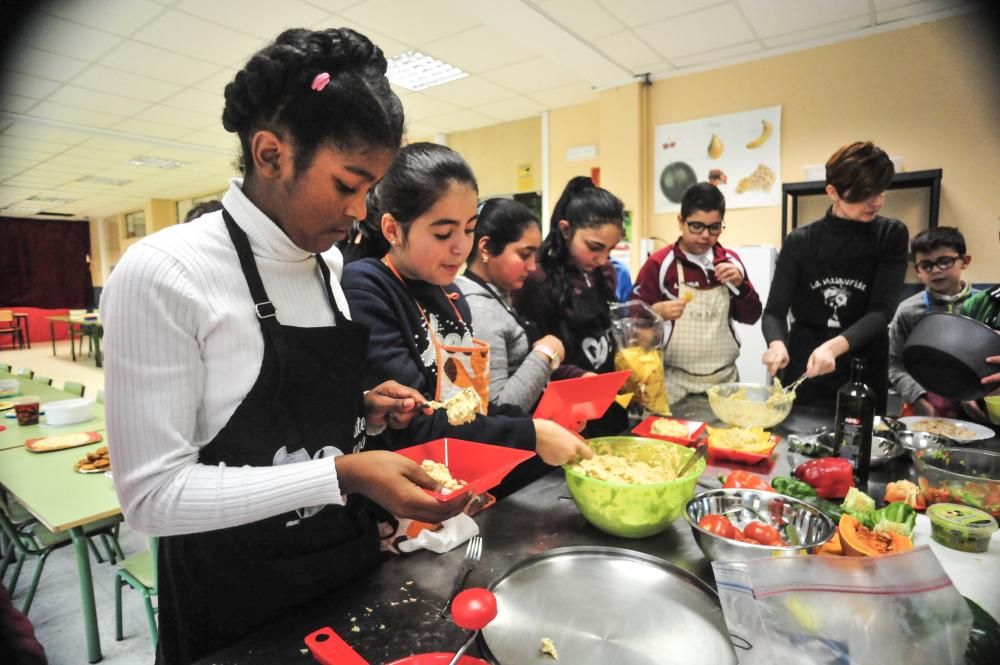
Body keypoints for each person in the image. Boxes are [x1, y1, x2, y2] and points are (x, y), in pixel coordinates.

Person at [101, 28, 470, 665]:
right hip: (238, 611)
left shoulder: (323, 265)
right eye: (347, 184)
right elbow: (150, 497)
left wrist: (358, 408)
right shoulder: (165, 273)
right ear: (270, 153)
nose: (359, 212)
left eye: (369, 191)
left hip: (344, 578)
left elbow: (268, 404)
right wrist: (341, 472)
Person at [341, 143, 591, 466]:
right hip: (404, 493)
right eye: (444, 233)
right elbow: (415, 422)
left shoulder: (454, 298)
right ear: (393, 229)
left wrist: (544, 420)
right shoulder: (366, 287)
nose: (461, 247)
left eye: (470, 229)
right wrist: (532, 433)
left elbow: (472, 408)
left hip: (463, 476)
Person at [761, 141, 908, 412]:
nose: (876, 201)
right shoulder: (801, 241)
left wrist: (833, 347)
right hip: (806, 368)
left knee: (858, 447)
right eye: (864, 194)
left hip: (863, 369)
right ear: (832, 192)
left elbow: (881, 311)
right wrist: (776, 343)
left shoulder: (890, 235)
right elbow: (774, 312)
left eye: (880, 190)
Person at [513, 175, 627, 435]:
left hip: (605, 401)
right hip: (563, 412)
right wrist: (579, 376)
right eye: (594, 247)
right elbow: (529, 356)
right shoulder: (536, 278)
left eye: (610, 250)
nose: (601, 259)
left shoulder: (605, 272)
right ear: (566, 230)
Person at [632, 182, 762, 403]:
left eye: (714, 227)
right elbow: (630, 326)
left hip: (725, 381)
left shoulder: (729, 263)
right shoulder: (660, 264)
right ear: (681, 222)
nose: (705, 236)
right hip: (673, 382)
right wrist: (655, 312)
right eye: (696, 226)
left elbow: (751, 317)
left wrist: (741, 286)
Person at [455, 198, 571, 412]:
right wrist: (546, 353)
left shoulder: (497, 295)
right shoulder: (479, 309)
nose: (531, 266)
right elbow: (499, 407)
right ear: (486, 248)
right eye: (524, 255)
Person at [888, 227, 977, 417]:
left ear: (965, 261)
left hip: (975, 411)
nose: (935, 270)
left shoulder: (985, 306)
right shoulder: (908, 310)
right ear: (918, 270)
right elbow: (893, 364)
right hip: (921, 409)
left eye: (944, 262)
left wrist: (978, 397)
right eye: (926, 265)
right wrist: (917, 399)